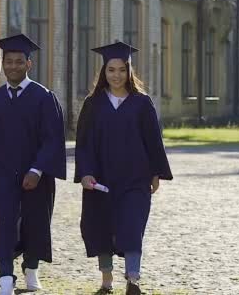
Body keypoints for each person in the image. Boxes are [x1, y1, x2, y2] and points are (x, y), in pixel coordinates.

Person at [74, 41, 173, 295]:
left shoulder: (142, 103)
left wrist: (155, 173)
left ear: (129, 71)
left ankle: (133, 278)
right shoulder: (93, 104)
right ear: (103, 72)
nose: (116, 75)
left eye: (121, 70)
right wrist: (85, 173)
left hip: (135, 178)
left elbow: (153, 140)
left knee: (132, 225)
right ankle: (106, 281)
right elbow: (83, 143)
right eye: (111, 70)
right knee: (101, 227)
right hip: (101, 178)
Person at [0, 34, 66, 295]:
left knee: (35, 222)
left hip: (35, 175)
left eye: (18, 61)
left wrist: (37, 169)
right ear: (2, 64)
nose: (12, 66)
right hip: (1, 175)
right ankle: (5, 276)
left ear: (29, 64)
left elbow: (52, 140)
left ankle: (31, 269)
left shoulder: (43, 97)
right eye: (8, 62)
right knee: (5, 223)